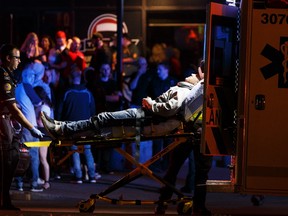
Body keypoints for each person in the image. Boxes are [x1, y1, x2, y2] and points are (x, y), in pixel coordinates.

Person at [40, 63, 203, 142]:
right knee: (101, 125)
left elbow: (169, 108)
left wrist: (151, 103)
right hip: (146, 116)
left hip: (144, 115)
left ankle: (61, 128)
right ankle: (62, 128)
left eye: (196, 73)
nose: (191, 73)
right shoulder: (186, 89)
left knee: (102, 119)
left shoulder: (185, 90)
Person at [155, 60, 213, 216]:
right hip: (188, 133)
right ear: (200, 70)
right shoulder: (191, 85)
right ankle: (163, 203)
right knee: (175, 170)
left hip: (196, 134)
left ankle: (196, 207)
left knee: (198, 173)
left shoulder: (201, 86)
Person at [0, 44, 43, 210]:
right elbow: (13, 109)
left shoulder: (9, 75)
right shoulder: (3, 77)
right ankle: (4, 202)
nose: (19, 61)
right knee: (6, 163)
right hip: (3, 123)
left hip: (7, 121)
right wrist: (31, 127)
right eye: (16, 57)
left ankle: (5, 201)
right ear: (8, 58)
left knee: (10, 162)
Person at [56, 61, 97, 184]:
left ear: (70, 77)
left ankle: (78, 175)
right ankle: (92, 175)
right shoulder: (88, 93)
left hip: (71, 127)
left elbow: (60, 111)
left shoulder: (67, 93)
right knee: (87, 150)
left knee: (74, 151)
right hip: (86, 126)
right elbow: (93, 111)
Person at [15, 63, 45, 193]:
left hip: (18, 126)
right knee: (33, 156)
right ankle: (34, 183)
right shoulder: (25, 86)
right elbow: (38, 102)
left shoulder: (12, 88)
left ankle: (19, 183)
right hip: (30, 126)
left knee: (19, 155)